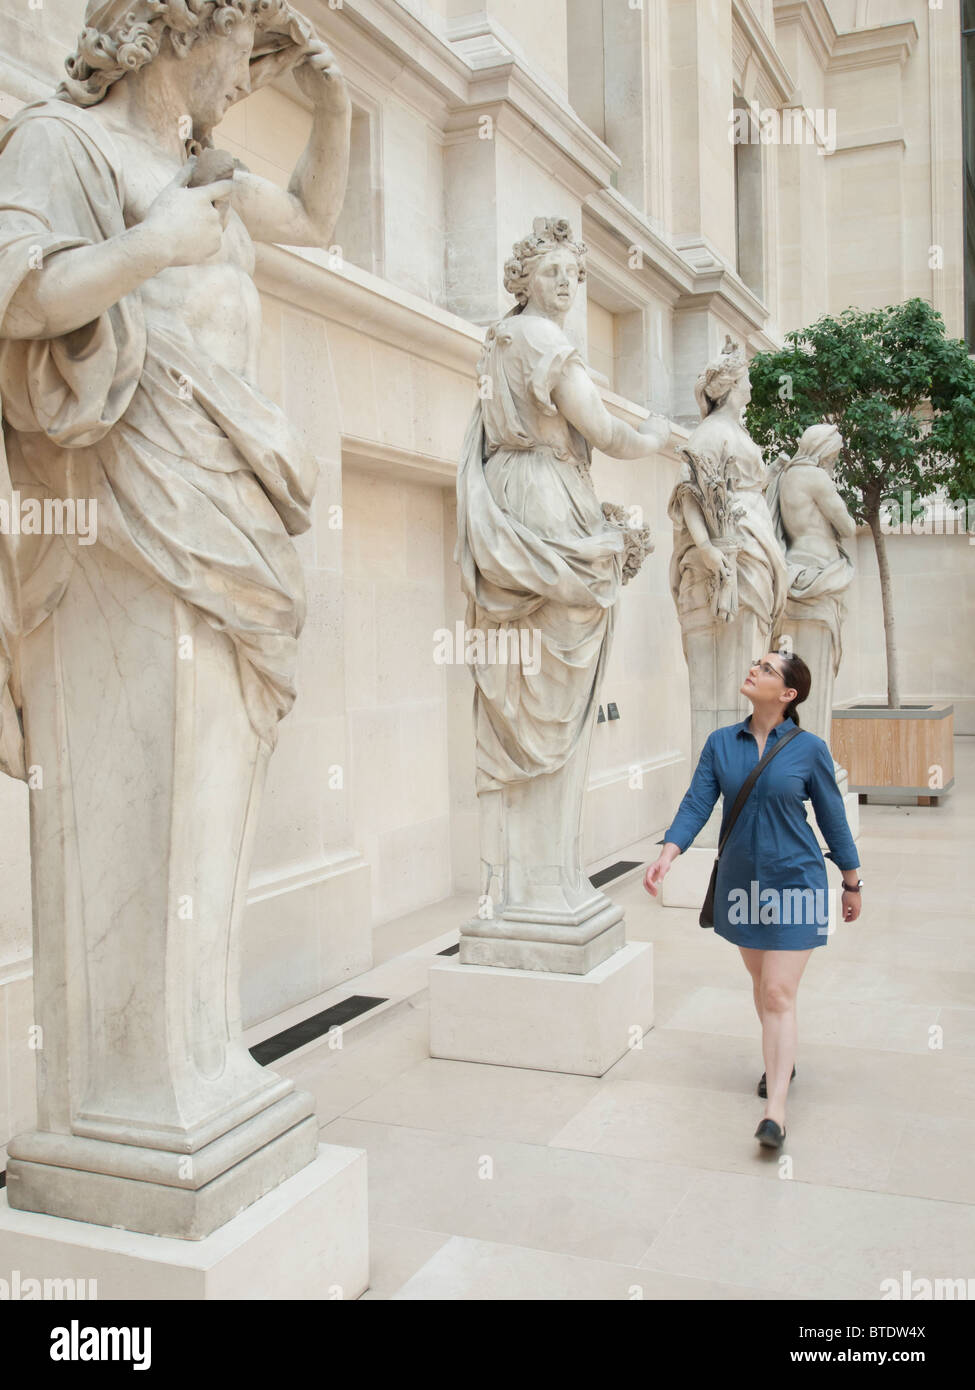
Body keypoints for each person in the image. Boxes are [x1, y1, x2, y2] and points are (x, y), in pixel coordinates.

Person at [455, 217, 671, 951]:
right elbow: (604, 431)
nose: (567, 285)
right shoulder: (538, 339)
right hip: (545, 501)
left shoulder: (498, 339)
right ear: (524, 279)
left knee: (531, 691)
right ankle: (540, 884)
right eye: (554, 272)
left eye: (575, 276)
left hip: (521, 496)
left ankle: (530, 883)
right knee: (548, 689)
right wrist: (658, 438)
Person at [643, 650, 862, 1150]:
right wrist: (668, 852)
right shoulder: (722, 743)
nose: (754, 670)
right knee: (763, 985)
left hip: (798, 881)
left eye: (767, 669)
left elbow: (831, 819)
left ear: (788, 694)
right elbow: (698, 801)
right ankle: (782, 1059)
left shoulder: (809, 749)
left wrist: (851, 882)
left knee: (779, 993)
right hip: (742, 885)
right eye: (756, 664)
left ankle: (775, 1112)